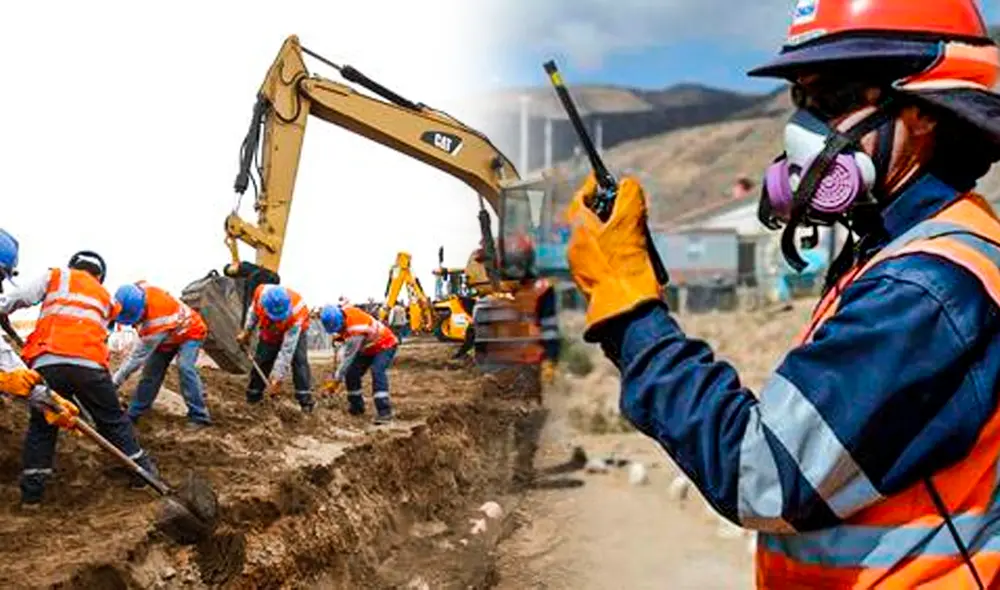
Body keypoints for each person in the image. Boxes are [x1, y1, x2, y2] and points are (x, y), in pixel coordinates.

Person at [564, 1, 1000, 587]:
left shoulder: (926, 284)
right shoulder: (896, 251)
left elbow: (760, 473)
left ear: (924, 113)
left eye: (836, 100)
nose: (807, 132)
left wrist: (628, 306)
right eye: (803, 102)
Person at [0, 250, 157, 506]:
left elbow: (16, 298)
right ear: (100, 276)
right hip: (91, 367)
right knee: (112, 420)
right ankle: (144, 475)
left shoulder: (56, 276)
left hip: (48, 362)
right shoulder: (106, 298)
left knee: (43, 424)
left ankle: (32, 495)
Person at [111, 281, 212, 428]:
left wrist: (115, 382)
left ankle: (199, 416)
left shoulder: (156, 322)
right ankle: (134, 414)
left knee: (185, 367)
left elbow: (135, 360)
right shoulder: (138, 290)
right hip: (167, 336)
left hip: (190, 332)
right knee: (150, 374)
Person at [237, 284, 314, 413]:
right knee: (263, 358)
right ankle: (253, 397)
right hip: (269, 327)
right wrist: (247, 332)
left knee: (299, 361)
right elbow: (253, 313)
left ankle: (305, 401)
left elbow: (286, 351)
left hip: (294, 329)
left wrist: (277, 379)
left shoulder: (296, 312)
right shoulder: (260, 294)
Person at [318, 304, 397, 424]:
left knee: (377, 371)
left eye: (338, 328)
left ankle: (384, 412)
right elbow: (349, 332)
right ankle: (356, 407)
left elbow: (348, 358)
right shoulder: (345, 313)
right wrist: (341, 336)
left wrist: (336, 381)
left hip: (385, 344)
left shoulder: (356, 328)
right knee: (352, 373)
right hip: (367, 347)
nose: (338, 331)